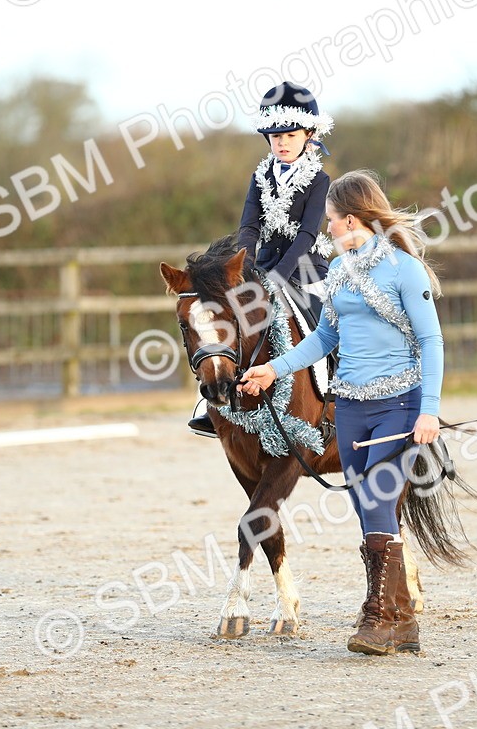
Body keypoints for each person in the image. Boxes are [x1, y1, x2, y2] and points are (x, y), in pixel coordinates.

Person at [238, 169, 444, 656]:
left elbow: (432, 340)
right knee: (363, 506)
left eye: (330, 219)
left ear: (351, 219)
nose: (326, 227)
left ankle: (378, 615)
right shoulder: (336, 272)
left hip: (400, 403)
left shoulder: (404, 270)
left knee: (376, 501)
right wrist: (273, 368)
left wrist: (429, 411)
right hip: (349, 406)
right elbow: (325, 338)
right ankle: (402, 620)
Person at [188, 81, 335, 437]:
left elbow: (307, 235)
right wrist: (243, 268)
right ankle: (217, 400)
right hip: (262, 266)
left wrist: (280, 277)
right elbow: (249, 227)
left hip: (306, 269)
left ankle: (334, 395)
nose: (281, 142)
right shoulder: (259, 176)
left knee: (325, 319)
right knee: (228, 320)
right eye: (274, 136)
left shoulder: (319, 179)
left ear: (309, 133)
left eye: (289, 134)